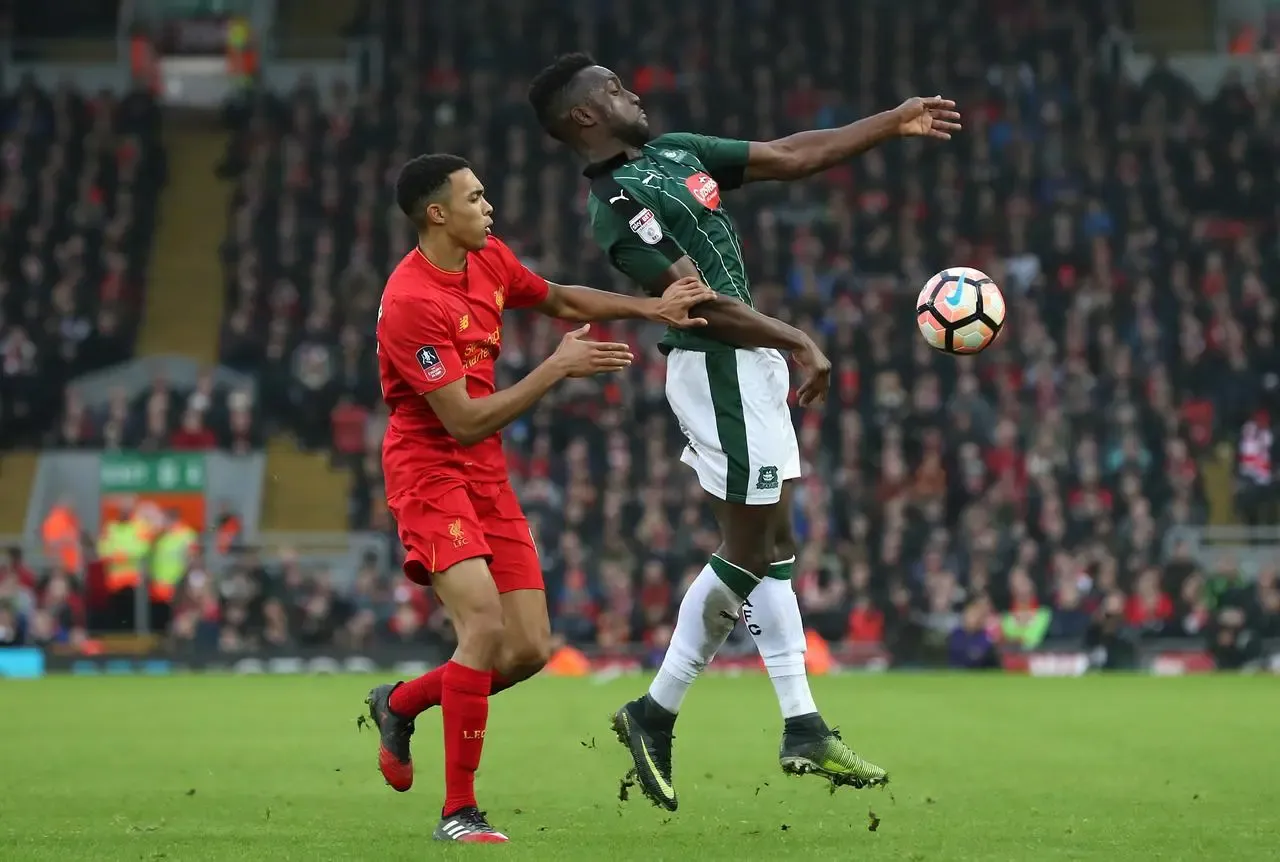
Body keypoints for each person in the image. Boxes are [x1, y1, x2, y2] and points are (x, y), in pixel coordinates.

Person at [528, 52, 960, 810]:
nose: (633, 92)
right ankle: (656, 712)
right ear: (584, 117)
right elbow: (692, 303)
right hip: (718, 366)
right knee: (752, 549)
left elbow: (790, 156)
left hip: (750, 367)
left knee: (775, 545)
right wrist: (795, 337)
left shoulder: (675, 153)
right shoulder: (617, 207)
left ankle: (801, 727)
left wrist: (892, 121)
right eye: (613, 88)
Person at [366, 152, 715, 843]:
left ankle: (400, 704)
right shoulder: (411, 304)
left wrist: (651, 307)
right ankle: (458, 811)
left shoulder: (488, 257)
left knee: (528, 649)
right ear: (438, 214)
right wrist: (555, 368)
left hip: (485, 474)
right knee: (483, 629)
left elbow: (557, 297)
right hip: (430, 473)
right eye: (474, 196)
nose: (488, 205)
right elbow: (462, 419)